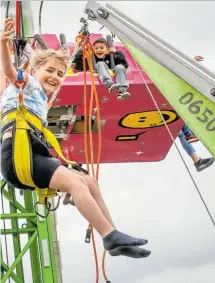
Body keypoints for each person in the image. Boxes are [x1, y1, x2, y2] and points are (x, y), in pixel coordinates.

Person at [0, 18, 150, 259]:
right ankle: (110, 236)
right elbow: (8, 72)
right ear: (33, 71)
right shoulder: (26, 85)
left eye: (59, 74)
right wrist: (4, 44)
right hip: (18, 157)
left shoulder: (41, 98)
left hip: (32, 152)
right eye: (49, 70)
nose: (55, 76)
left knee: (90, 182)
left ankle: (113, 235)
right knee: (76, 184)